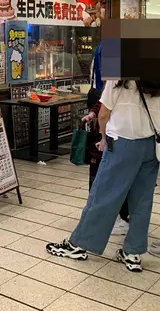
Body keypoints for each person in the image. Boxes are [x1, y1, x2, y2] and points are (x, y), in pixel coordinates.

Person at [47, 79, 160, 272]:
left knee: (104, 194)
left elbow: (104, 114)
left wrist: (103, 138)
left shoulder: (119, 76)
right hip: (152, 146)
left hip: (123, 143)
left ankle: (78, 244)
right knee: (142, 200)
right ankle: (132, 252)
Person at [83, 42, 129, 235]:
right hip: (127, 140)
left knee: (109, 178)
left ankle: (117, 217)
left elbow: (104, 111)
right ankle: (114, 216)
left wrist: (103, 137)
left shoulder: (117, 81)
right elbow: (102, 105)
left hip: (115, 139)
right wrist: (93, 114)